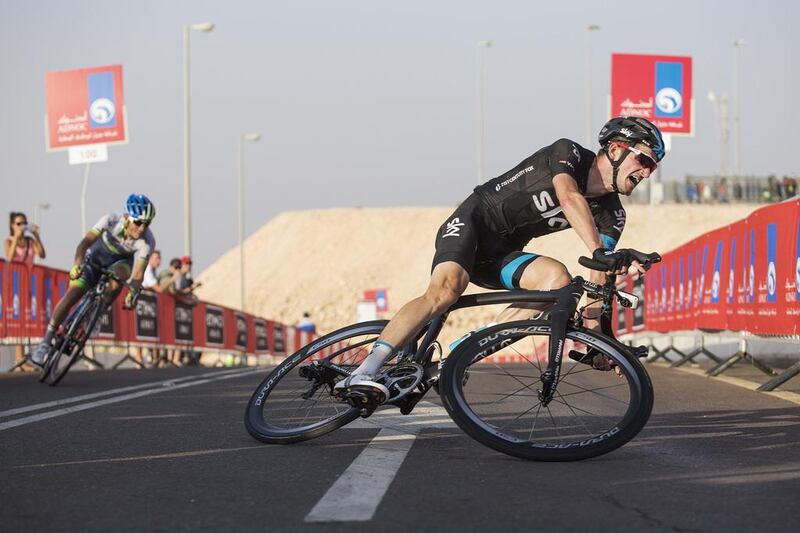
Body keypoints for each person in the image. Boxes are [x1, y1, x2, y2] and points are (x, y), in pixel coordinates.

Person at [334, 116, 665, 405]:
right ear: (617, 148)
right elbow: (568, 196)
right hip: (474, 224)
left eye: (653, 167)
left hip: (502, 253)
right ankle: (365, 370)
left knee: (558, 281)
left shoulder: (613, 215)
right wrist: (599, 249)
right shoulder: (570, 154)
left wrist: (601, 342)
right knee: (446, 291)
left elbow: (597, 276)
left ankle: (457, 356)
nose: (647, 173)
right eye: (645, 161)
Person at [30, 194, 157, 365]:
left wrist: (133, 293)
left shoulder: (148, 241)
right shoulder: (110, 219)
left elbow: (138, 274)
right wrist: (76, 265)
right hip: (97, 255)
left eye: (146, 223)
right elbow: (84, 243)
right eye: (138, 222)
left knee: (120, 278)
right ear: (127, 217)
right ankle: (45, 343)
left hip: (121, 261)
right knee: (73, 293)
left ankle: (98, 313)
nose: (142, 228)